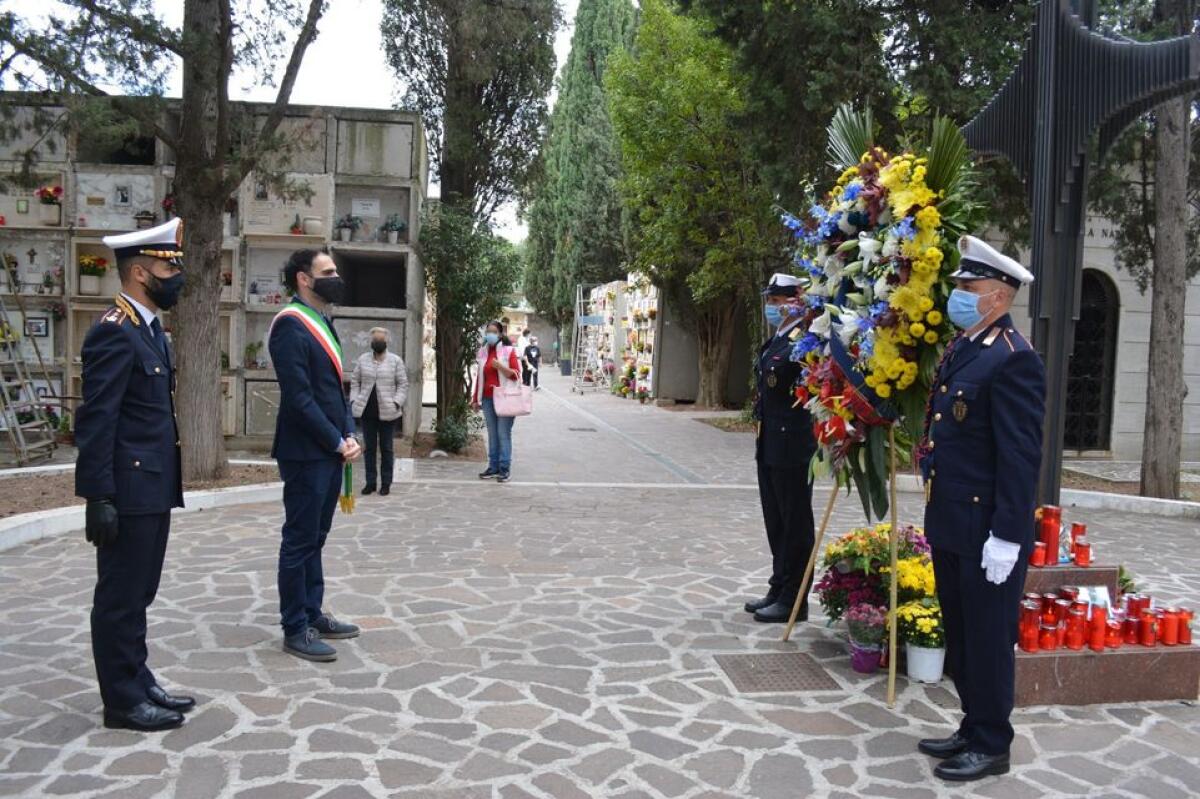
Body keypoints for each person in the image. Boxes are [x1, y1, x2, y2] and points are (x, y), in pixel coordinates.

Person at [915, 235, 1044, 782]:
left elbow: (1020, 456)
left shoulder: (1014, 360)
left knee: (989, 639)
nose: (959, 296)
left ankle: (993, 742)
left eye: (970, 289)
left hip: (986, 528)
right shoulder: (967, 347)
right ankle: (972, 724)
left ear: (1000, 296)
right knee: (962, 633)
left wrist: (1009, 536)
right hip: (951, 520)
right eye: (960, 288)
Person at [75, 218, 193, 731]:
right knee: (120, 596)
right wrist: (97, 495)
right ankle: (121, 701)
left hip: (153, 487)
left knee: (140, 591)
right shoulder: (113, 333)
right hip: (127, 488)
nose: (177, 276)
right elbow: (96, 422)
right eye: (170, 266)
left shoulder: (151, 332)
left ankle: (138, 677)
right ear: (141, 272)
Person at [269, 249, 363, 663]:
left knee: (317, 538)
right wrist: (334, 439)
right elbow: (299, 398)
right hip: (306, 451)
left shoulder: (324, 322)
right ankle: (295, 627)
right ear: (304, 279)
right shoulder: (290, 326)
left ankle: (313, 612)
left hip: (328, 447)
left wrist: (348, 431)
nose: (335, 277)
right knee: (299, 540)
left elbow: (335, 390)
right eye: (327, 272)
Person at [744, 273, 818, 623]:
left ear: (796, 303)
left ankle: (795, 598)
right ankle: (779, 585)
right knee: (776, 520)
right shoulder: (777, 340)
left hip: (793, 444)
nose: (771, 308)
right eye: (770, 302)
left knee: (795, 523)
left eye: (778, 302)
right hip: (770, 440)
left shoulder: (804, 341)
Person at [350, 327, 408, 496]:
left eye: (380, 340)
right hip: (367, 411)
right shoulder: (363, 359)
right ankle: (370, 482)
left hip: (389, 412)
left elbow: (403, 384)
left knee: (387, 448)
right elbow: (355, 381)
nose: (377, 343)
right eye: (375, 340)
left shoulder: (395, 361)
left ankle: (386, 483)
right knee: (369, 448)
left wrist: (397, 402)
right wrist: (354, 399)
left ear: (386, 341)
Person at [472, 320, 521, 483]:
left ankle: (504, 469)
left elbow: (516, 375)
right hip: (487, 398)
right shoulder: (483, 352)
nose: (490, 335)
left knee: (503, 434)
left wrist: (500, 366)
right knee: (492, 435)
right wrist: (475, 399)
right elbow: (479, 377)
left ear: (500, 334)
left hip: (505, 398)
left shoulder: (509, 351)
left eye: (493, 332)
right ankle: (493, 467)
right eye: (488, 332)